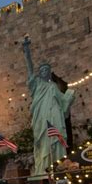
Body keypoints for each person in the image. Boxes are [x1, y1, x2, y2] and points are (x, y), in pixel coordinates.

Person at [22, 35, 75, 176]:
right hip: (41, 116)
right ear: (40, 73)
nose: (44, 72)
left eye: (46, 70)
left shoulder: (53, 87)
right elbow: (29, 68)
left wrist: (69, 97)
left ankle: (57, 167)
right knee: (43, 141)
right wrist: (27, 51)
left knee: (56, 139)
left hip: (55, 115)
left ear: (49, 72)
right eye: (42, 70)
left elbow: (63, 102)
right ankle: (43, 169)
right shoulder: (37, 83)